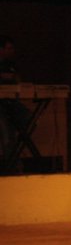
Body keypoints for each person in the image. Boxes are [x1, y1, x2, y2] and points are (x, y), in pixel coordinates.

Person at [0, 35, 30, 170]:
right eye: (9, 48)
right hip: (1, 105)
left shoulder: (10, 64)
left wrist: (14, 78)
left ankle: (14, 160)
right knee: (7, 136)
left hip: (10, 103)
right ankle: (11, 166)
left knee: (27, 117)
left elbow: (18, 79)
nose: (12, 51)